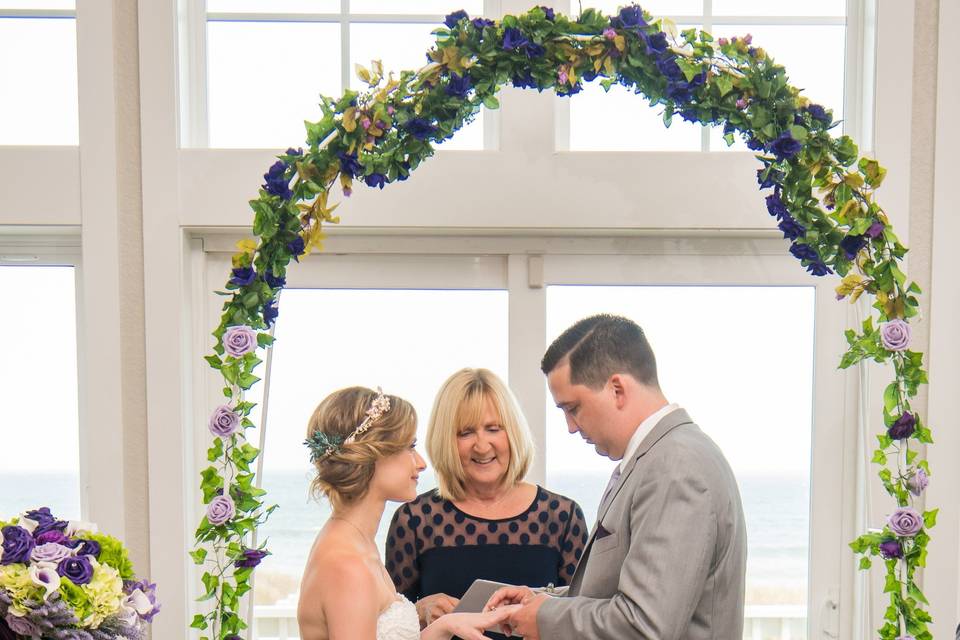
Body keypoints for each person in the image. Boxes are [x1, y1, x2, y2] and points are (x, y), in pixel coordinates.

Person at [486, 314, 747, 639]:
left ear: (617, 389)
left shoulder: (675, 466)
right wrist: (542, 602)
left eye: (574, 408)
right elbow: (615, 595)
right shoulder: (658, 457)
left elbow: (644, 626)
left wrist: (546, 618)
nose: (571, 426)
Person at [297, 386, 516, 640]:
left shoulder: (357, 542)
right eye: (410, 447)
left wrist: (445, 627)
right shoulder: (347, 565)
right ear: (373, 454)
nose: (421, 463)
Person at [385, 368, 588, 631]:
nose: (482, 446)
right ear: (446, 439)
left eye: (493, 429)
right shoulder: (415, 520)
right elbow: (387, 624)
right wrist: (419, 610)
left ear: (512, 432)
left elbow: (582, 618)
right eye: (465, 433)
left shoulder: (562, 516)